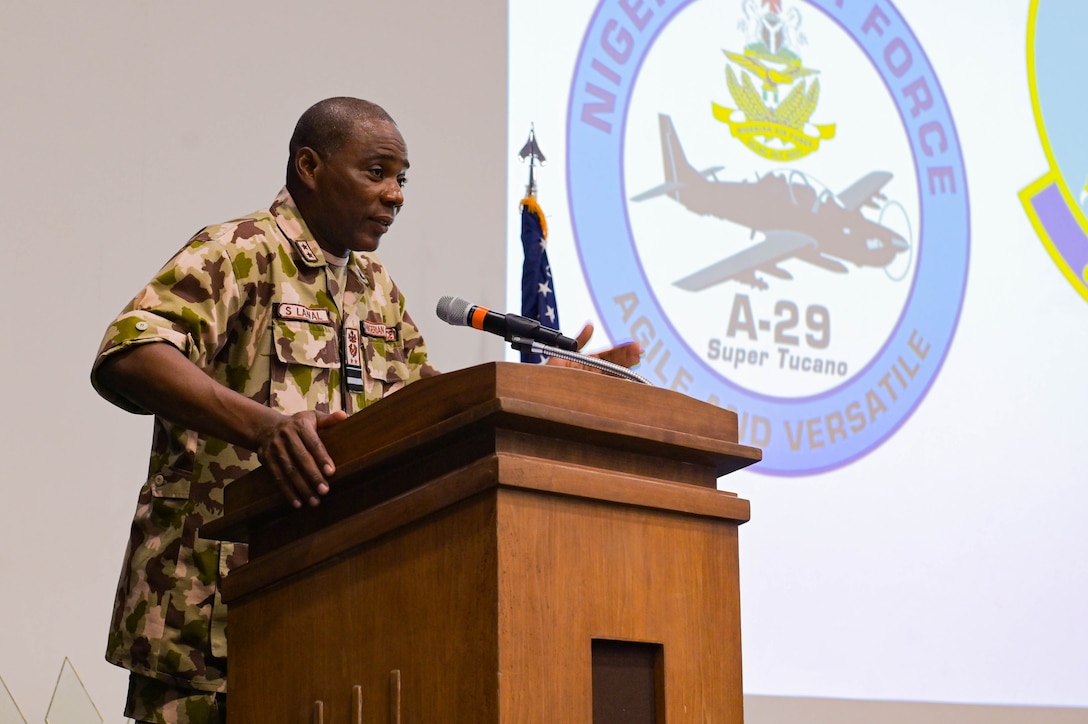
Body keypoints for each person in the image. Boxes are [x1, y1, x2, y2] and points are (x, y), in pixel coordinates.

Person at [91, 97, 639, 724]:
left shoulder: (373, 286)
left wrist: (545, 392)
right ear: (309, 166)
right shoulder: (241, 250)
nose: (395, 195)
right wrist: (263, 427)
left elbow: (426, 403)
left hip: (333, 621)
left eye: (402, 179)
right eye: (376, 172)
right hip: (209, 622)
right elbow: (129, 353)